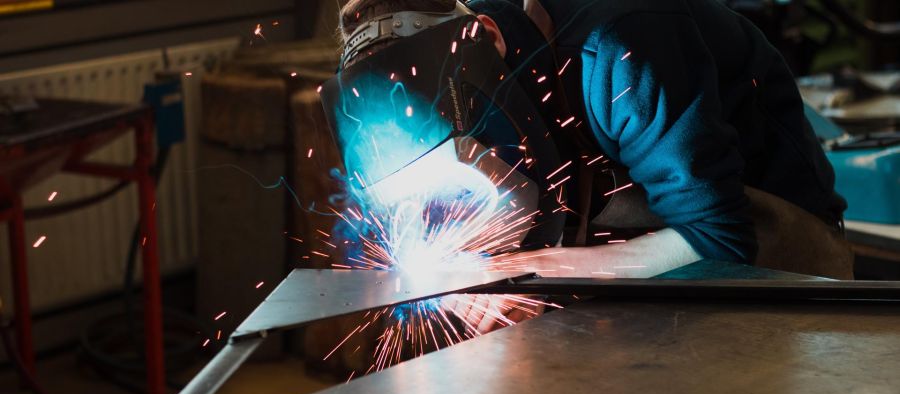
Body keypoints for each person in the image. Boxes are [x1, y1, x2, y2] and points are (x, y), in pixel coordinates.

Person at [333, 0, 853, 289]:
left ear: (487, 38)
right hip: (643, 248)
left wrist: (534, 267)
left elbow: (722, 242)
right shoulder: (460, 76)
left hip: (773, 251)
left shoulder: (624, 50)